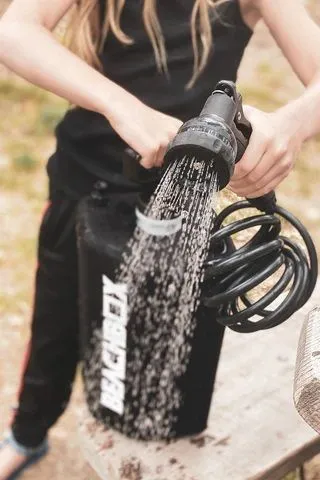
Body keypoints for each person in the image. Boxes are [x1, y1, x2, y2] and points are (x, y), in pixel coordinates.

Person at [0, 0, 320, 478]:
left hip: (183, 204)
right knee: (56, 322)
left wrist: (289, 128)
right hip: (83, 185)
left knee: (179, 339)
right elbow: (14, 32)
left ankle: (170, 440)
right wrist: (125, 108)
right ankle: (28, 433)